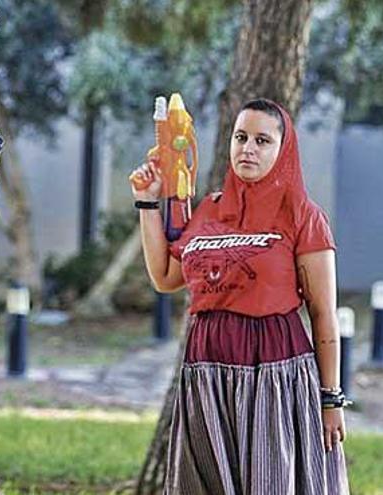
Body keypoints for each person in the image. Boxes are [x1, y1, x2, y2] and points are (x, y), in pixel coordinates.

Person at [131, 98, 350, 494]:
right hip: (207, 371)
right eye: (241, 137)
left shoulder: (302, 214)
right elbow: (165, 276)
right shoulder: (210, 210)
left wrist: (330, 399)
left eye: (262, 140)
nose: (248, 148)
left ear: (283, 150)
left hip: (273, 374)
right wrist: (148, 201)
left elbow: (323, 314)